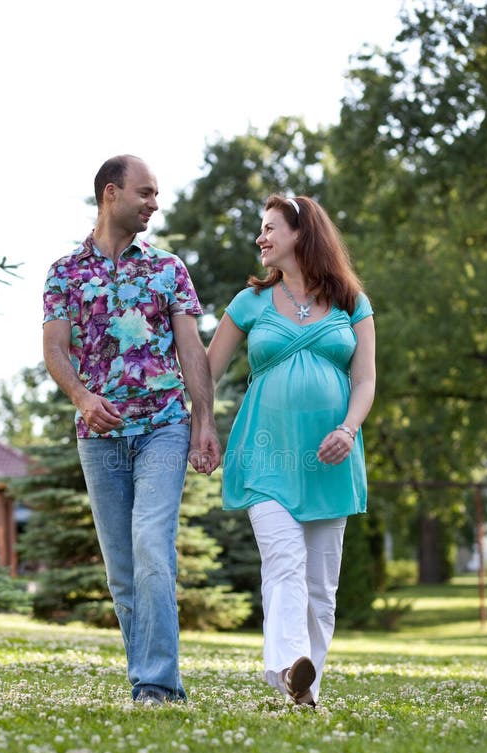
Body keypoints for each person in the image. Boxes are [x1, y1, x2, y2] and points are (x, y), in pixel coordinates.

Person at [42, 154, 220, 706]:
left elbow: (192, 351)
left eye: (157, 193)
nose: (154, 203)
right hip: (98, 436)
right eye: (145, 193)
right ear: (111, 194)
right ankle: (147, 678)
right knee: (123, 570)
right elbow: (54, 350)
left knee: (151, 545)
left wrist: (204, 422)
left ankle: (158, 685)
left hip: (164, 426)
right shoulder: (65, 272)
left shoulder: (169, 269)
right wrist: (82, 397)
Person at [207, 194, 376, 707]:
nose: (260, 238)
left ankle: (305, 691)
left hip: (330, 462)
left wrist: (348, 429)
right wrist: (201, 428)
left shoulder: (351, 301)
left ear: (302, 234)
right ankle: (286, 668)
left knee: (321, 589)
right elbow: (205, 373)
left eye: (269, 228)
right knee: (284, 563)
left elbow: (365, 381)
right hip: (265, 457)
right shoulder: (250, 302)